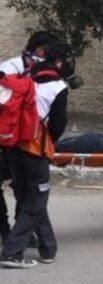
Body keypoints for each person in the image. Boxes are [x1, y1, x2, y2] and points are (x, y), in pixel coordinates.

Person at [0, 41, 72, 268]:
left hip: (12, 145)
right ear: (58, 62)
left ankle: (48, 248)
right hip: (34, 147)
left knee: (27, 196)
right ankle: (12, 252)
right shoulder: (58, 86)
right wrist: (51, 145)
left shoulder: (25, 76)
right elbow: (58, 125)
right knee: (37, 201)